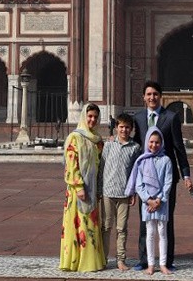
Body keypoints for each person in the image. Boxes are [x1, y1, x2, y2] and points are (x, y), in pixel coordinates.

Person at [132, 80, 192, 271]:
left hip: (167, 176)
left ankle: (168, 260)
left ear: (160, 96)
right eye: (148, 94)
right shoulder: (139, 117)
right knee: (145, 219)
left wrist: (186, 174)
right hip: (146, 177)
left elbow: (178, 147)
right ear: (144, 97)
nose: (152, 97)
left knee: (167, 219)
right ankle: (144, 260)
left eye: (155, 94)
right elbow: (135, 146)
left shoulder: (171, 117)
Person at [59, 103, 105, 272]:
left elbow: (100, 164)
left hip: (92, 188)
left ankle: (91, 261)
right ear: (84, 117)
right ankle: (76, 262)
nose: (92, 120)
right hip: (77, 189)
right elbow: (71, 163)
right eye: (90, 116)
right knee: (77, 225)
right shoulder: (75, 137)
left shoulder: (97, 139)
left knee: (90, 225)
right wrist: (78, 185)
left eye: (95, 117)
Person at [125, 127, 173, 275]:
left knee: (162, 232)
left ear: (161, 143)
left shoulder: (166, 160)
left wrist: (159, 200)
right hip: (147, 203)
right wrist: (148, 200)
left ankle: (163, 264)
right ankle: (151, 264)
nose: (154, 145)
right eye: (151, 142)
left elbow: (168, 182)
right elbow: (139, 184)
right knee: (150, 232)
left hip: (161, 203)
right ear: (147, 142)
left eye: (157, 142)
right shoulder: (142, 161)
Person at [98, 112, 140, 270]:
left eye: (127, 127)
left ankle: (121, 259)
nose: (124, 130)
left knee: (122, 228)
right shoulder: (108, 145)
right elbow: (102, 167)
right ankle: (103, 258)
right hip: (108, 191)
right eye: (121, 127)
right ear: (116, 128)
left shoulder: (135, 148)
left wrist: (133, 192)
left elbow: (135, 172)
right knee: (106, 227)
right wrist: (99, 190)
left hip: (124, 192)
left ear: (131, 129)